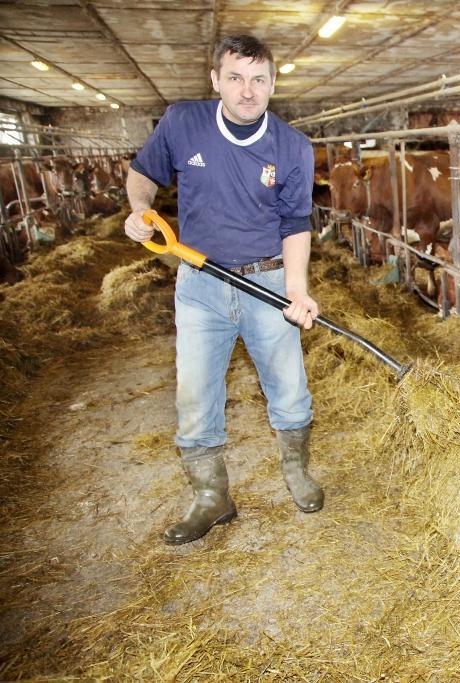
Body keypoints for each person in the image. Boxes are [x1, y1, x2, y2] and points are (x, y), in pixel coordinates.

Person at [124, 34, 322, 545]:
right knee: (195, 395)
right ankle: (212, 498)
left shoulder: (293, 147)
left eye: (259, 80)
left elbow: (296, 223)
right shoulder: (182, 122)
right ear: (215, 80)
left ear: (274, 83)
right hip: (200, 284)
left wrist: (297, 290)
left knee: (289, 388)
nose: (247, 91)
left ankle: (298, 472)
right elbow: (142, 174)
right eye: (235, 78)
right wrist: (140, 210)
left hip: (267, 280)